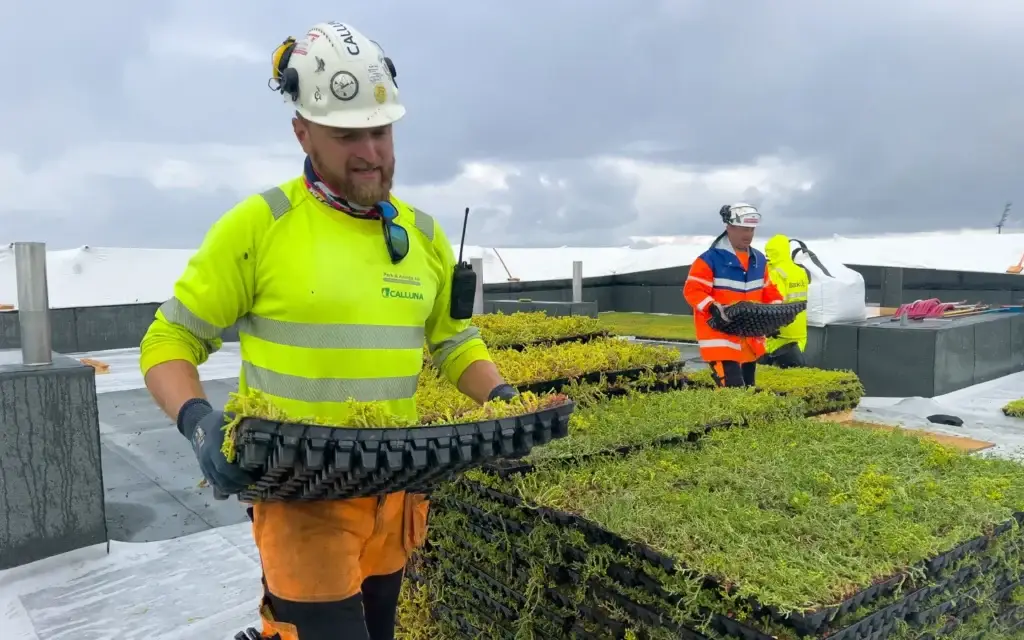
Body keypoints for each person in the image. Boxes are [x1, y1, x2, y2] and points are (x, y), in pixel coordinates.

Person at [138, 21, 517, 640]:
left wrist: (503, 398)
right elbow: (169, 342)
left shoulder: (421, 233)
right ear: (302, 132)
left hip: (391, 501)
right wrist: (200, 425)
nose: (370, 152)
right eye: (346, 135)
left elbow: (452, 339)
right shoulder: (259, 227)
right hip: (301, 504)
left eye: (381, 130)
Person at [682, 203, 783, 388]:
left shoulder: (759, 260)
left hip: (750, 341)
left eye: (751, 229)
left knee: (748, 389)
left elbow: (769, 290)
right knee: (733, 390)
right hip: (720, 339)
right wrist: (712, 307)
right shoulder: (709, 259)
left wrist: (774, 314)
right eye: (744, 229)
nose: (748, 234)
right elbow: (693, 290)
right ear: (729, 227)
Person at [759, 234, 809, 368]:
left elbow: (774, 304)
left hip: (779, 334)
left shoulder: (774, 272)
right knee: (795, 373)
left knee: (765, 375)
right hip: (799, 332)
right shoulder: (800, 271)